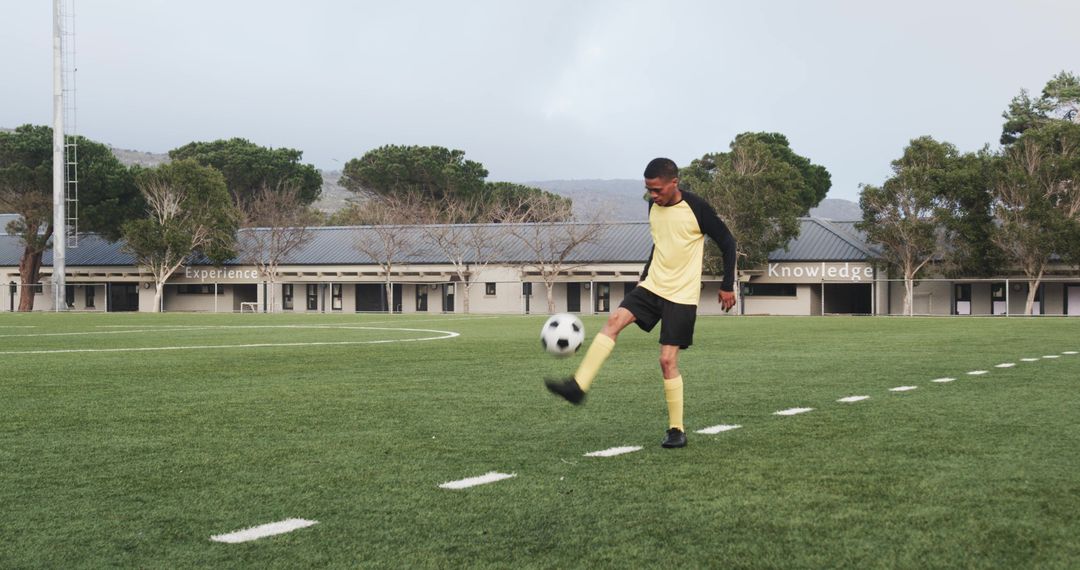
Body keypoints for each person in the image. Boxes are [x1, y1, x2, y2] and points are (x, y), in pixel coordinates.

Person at [545, 157, 737, 448]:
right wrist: (644, 278)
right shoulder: (653, 206)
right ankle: (578, 386)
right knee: (613, 321)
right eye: (648, 190)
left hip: (681, 296)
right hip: (652, 286)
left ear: (674, 183)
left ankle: (676, 429)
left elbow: (727, 242)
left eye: (657, 190)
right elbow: (659, 244)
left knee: (667, 360)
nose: (653, 196)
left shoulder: (697, 209)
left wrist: (726, 286)